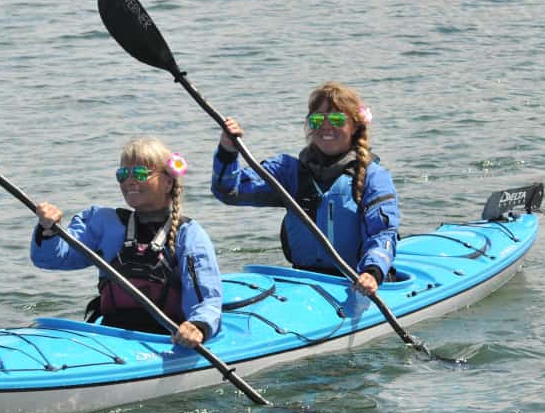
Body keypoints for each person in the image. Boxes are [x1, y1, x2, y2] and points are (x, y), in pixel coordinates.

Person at [211, 81, 400, 296]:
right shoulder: (287, 171)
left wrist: (372, 271)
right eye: (318, 119)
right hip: (304, 279)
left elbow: (383, 233)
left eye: (337, 119)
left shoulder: (373, 176)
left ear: (355, 126)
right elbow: (228, 191)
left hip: (357, 281)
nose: (326, 126)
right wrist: (227, 150)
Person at [32, 138, 221, 348]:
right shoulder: (105, 223)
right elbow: (52, 259)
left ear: (168, 182)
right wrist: (49, 229)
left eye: (140, 173)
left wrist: (198, 326)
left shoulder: (189, 235)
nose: (129, 181)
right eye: (123, 174)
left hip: (166, 339)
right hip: (111, 336)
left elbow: (206, 298)